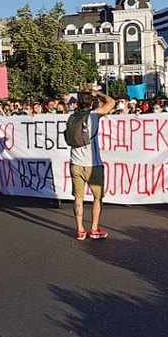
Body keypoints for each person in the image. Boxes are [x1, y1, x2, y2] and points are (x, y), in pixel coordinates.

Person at [69, 90, 116, 240]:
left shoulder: (71, 117)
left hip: (75, 162)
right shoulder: (93, 115)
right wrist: (99, 94)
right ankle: (94, 229)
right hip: (92, 164)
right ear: (91, 102)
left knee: (78, 198)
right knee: (97, 197)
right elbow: (112, 102)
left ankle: (80, 229)